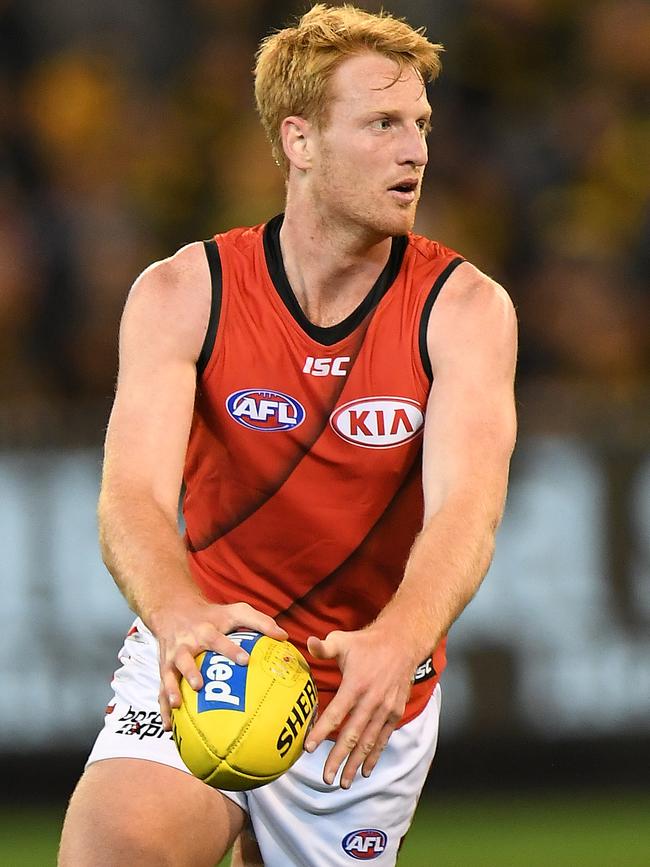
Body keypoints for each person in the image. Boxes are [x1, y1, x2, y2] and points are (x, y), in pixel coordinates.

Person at [58, 4, 517, 866]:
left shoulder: (465, 310)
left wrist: (400, 637)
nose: (415, 149)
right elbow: (132, 496)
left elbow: (467, 509)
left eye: (420, 124)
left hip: (365, 699)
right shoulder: (183, 293)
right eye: (382, 123)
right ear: (300, 141)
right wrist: (176, 614)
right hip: (213, 663)